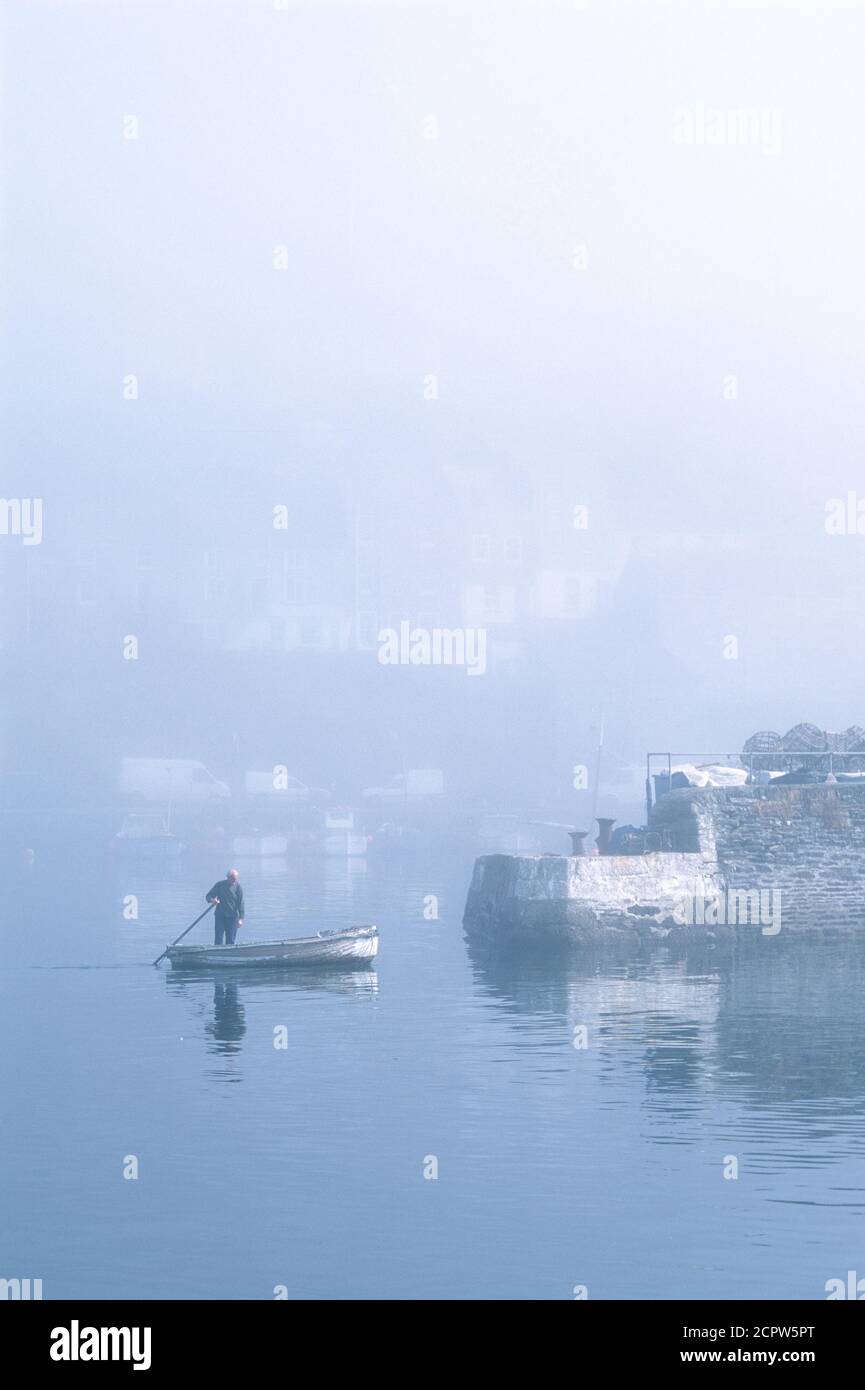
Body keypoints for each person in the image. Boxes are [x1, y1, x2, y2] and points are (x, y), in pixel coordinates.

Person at [206, 868, 245, 946]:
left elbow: (241, 903)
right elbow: (208, 896)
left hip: (233, 918)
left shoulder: (238, 887)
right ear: (228, 878)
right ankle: (216, 954)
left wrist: (241, 918)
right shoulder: (220, 885)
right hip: (220, 916)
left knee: (230, 940)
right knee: (218, 939)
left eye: (236, 879)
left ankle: (229, 956)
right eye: (233, 879)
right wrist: (212, 900)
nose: (234, 881)